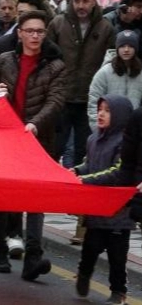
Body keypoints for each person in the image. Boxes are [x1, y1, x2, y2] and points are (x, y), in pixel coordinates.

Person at [0, 10, 66, 281]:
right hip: (4, 139)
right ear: (19, 33)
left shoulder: (55, 66)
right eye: (29, 31)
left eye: (40, 31)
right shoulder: (4, 60)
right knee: (1, 194)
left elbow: (56, 101)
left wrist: (35, 124)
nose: (35, 36)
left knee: (36, 199)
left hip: (37, 140)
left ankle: (33, 256)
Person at [72, 95, 133, 305]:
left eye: (107, 110)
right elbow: (88, 163)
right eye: (100, 109)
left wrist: (85, 180)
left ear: (120, 116)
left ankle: (118, 292)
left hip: (119, 213)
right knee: (90, 248)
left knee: (117, 257)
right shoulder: (92, 139)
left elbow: (116, 172)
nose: (101, 114)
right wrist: (76, 171)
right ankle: (83, 275)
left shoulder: (126, 143)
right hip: (96, 210)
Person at [47, 0, 116, 167]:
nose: (81, 6)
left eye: (85, 1)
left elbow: (110, 62)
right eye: (76, 1)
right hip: (61, 95)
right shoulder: (58, 23)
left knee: (84, 148)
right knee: (55, 146)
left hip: (89, 98)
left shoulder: (105, 28)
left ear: (94, 2)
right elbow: (47, 57)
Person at [88, 30, 142, 132]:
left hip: (134, 131)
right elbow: (93, 102)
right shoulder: (104, 72)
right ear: (117, 48)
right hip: (108, 129)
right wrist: (97, 130)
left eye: (130, 46)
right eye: (122, 46)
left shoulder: (140, 73)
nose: (126, 50)